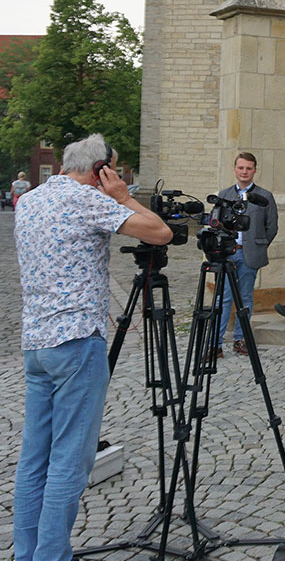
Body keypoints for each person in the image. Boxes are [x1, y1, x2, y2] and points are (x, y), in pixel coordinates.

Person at [13, 134, 171, 561]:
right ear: (102, 169)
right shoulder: (89, 201)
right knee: (69, 460)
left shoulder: (27, 201)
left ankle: (27, 553)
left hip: (36, 345)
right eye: (113, 171)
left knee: (34, 459)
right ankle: (51, 556)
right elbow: (161, 232)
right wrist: (122, 196)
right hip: (77, 343)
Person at [216, 152, 278, 357]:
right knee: (222, 299)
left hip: (248, 254)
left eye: (248, 168)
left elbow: (271, 227)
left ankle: (240, 339)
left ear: (254, 170)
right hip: (228, 253)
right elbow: (215, 222)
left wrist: (257, 245)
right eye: (241, 167)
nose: (244, 172)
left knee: (245, 299)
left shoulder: (265, 196)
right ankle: (215, 343)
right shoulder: (224, 194)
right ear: (235, 169)